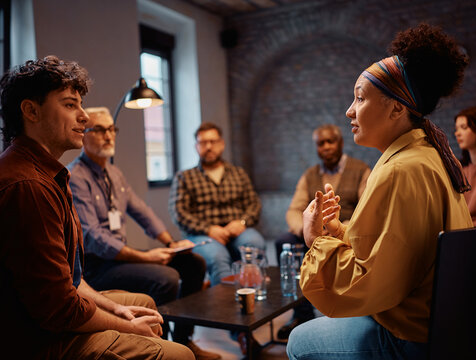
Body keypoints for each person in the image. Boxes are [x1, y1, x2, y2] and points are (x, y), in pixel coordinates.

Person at [287, 23, 474, 360]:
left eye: (360, 97)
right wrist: (338, 230)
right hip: (448, 326)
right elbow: (396, 251)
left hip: (411, 338)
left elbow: (365, 286)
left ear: (397, 108)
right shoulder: (428, 154)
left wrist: (316, 240)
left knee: (299, 341)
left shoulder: (400, 170)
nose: (349, 110)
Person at [0, 56, 194, 359]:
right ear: (31, 111)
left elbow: (68, 279)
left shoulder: (50, 173)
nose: (84, 118)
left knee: (143, 304)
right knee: (179, 355)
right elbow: (58, 306)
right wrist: (128, 327)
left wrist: (117, 309)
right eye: (69, 105)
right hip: (35, 339)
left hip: (55, 309)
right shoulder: (29, 186)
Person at [67, 107, 220, 360]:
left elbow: (142, 212)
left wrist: (171, 243)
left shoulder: (114, 174)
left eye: (111, 129)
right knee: (166, 278)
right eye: (100, 130)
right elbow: (93, 236)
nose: (109, 135)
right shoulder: (76, 176)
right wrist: (146, 257)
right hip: (98, 266)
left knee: (193, 262)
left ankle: (183, 339)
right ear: (84, 134)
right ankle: (155, 344)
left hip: (122, 257)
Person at [274, 123, 371, 339]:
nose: (326, 147)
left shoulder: (361, 170)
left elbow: (367, 209)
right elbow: (293, 210)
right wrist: (306, 228)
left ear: (340, 143)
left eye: (330, 141)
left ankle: (344, 312)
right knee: (284, 241)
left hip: (345, 231)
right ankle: (302, 314)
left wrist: (337, 228)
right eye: (321, 143)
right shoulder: (309, 175)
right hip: (312, 234)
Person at [169, 122, 266, 287]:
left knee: (254, 244)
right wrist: (208, 229)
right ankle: (228, 307)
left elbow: (254, 205)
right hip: (202, 235)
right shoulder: (184, 177)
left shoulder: (238, 173)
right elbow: (179, 214)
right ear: (196, 146)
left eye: (213, 141)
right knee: (217, 257)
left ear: (222, 144)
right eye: (203, 142)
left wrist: (242, 223)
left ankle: (253, 294)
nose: (208, 146)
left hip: (237, 231)